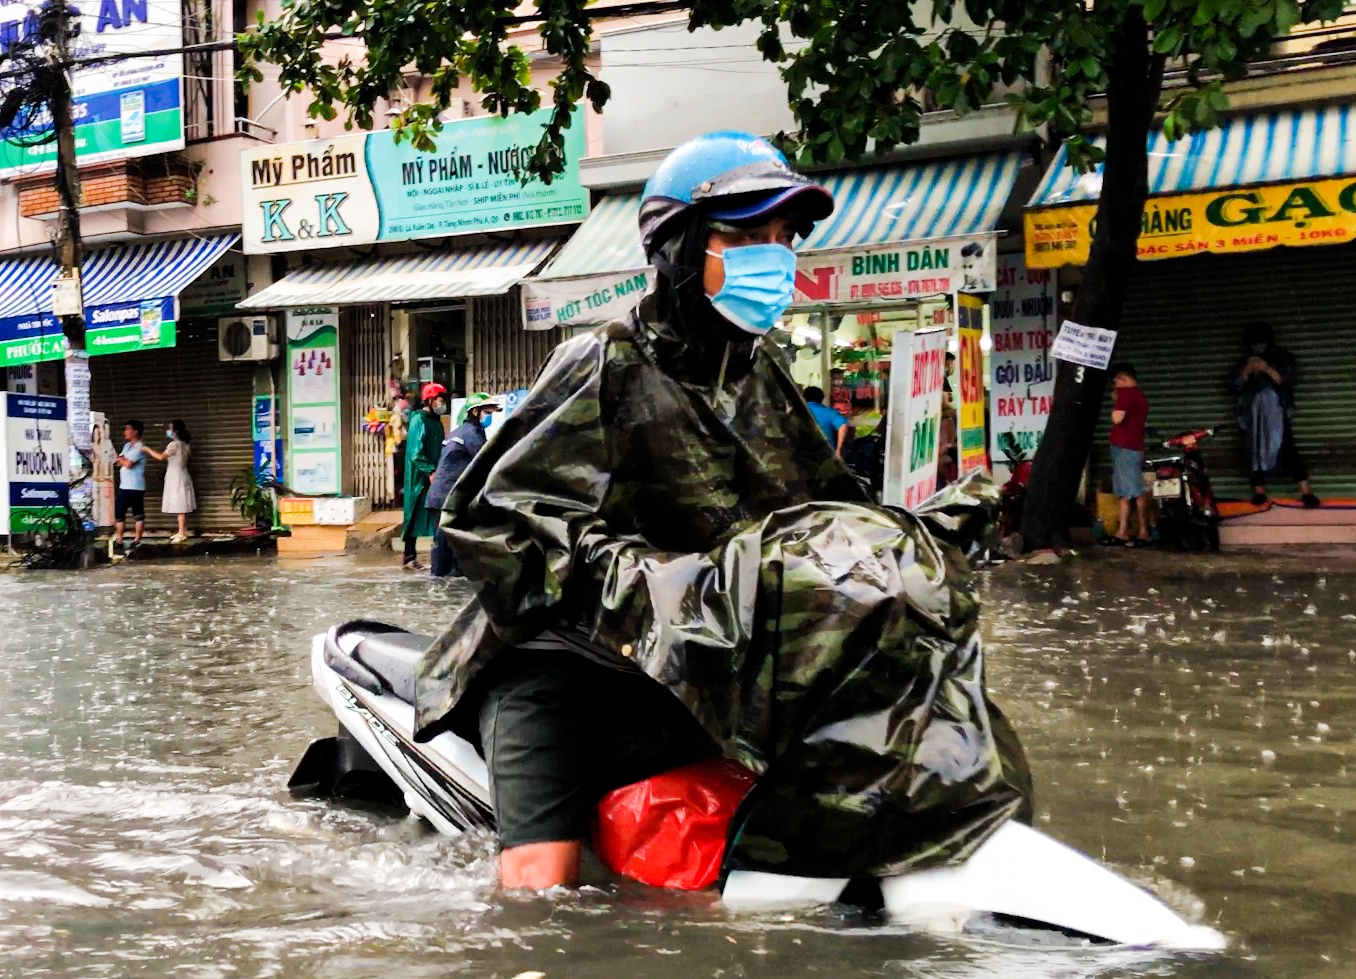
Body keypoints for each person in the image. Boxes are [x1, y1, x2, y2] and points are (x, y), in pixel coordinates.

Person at [414, 131, 1031, 891]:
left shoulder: (760, 376)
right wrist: (655, 583)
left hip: (693, 670)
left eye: (783, 238)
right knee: (544, 898)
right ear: (679, 249)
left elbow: (827, 516)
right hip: (562, 672)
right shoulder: (604, 361)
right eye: (742, 237)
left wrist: (914, 539)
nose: (772, 257)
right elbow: (496, 523)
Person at [1232, 322, 1319, 508]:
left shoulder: (1281, 357)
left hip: (1276, 411)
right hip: (1250, 414)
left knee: (1286, 447)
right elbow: (1234, 385)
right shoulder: (1244, 361)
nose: (1258, 346)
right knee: (1253, 451)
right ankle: (1259, 492)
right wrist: (1247, 370)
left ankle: (1306, 491)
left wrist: (1266, 368)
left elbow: (1287, 379)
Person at [425, 393, 503, 577]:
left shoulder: (459, 432)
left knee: (447, 547)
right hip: (447, 498)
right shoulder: (471, 434)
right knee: (445, 549)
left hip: (443, 496)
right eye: (487, 412)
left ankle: (443, 584)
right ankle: (441, 585)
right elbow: (487, 460)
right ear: (475, 412)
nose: (490, 417)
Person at [400, 382, 447, 570]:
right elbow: (415, 452)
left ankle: (437, 555)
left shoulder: (436, 422)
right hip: (419, 477)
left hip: (435, 473)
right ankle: (409, 557)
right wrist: (430, 471)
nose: (441, 404)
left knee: (435, 513)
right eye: (439, 400)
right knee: (413, 514)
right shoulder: (419, 420)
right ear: (429, 400)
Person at [1109, 364, 1150, 546]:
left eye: (1116, 382)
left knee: (1133, 491)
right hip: (1132, 447)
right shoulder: (1140, 395)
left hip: (1125, 448)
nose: (1115, 386)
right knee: (1126, 491)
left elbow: (1117, 418)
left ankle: (1142, 531)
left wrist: (1116, 404)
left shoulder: (1126, 393)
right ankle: (1123, 531)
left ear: (1122, 378)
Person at [144, 418, 196, 543]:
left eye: (170, 428)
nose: (168, 430)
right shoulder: (185, 444)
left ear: (176, 431)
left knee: (180, 505)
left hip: (176, 476)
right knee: (181, 504)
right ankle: (182, 530)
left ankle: (182, 533)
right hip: (183, 474)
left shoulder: (174, 444)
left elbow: (160, 457)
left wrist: (147, 449)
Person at [113, 419, 147, 549]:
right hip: (124, 486)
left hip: (136, 487)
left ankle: (137, 540)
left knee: (138, 514)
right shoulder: (127, 446)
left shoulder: (140, 447)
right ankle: (119, 540)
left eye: (128, 429)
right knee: (119, 513)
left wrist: (122, 459)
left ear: (136, 432)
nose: (125, 432)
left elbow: (127, 464)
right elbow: (118, 462)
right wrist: (122, 459)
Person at [801, 386, 850, 459]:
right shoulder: (831, 413)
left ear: (803, 398)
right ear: (822, 398)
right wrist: (838, 450)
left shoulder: (798, 411)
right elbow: (843, 425)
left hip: (801, 454)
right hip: (824, 455)